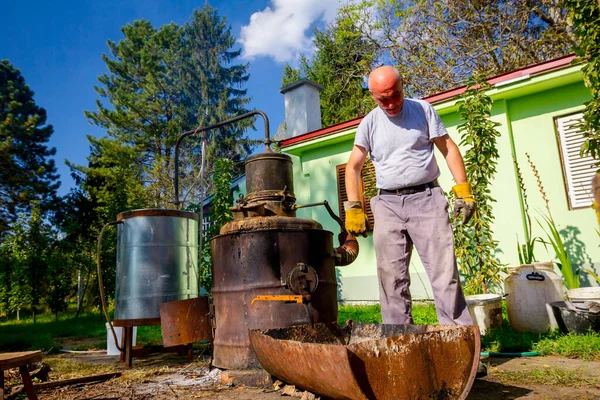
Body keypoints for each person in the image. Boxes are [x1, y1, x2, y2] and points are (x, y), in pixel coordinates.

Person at [344, 65, 475, 327]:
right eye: (383, 99)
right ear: (372, 95)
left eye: (396, 95)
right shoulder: (369, 123)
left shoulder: (423, 110)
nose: (391, 103)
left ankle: (460, 348)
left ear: (403, 86)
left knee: (444, 275)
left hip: (427, 200)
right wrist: (354, 207)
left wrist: (463, 189)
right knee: (391, 280)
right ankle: (401, 347)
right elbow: (353, 166)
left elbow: (447, 148)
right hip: (387, 206)